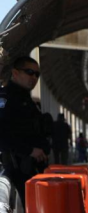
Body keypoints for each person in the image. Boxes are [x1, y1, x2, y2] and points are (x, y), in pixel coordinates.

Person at [0, 55, 50, 203]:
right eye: (29, 72)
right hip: (18, 167)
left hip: (32, 168)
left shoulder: (26, 100)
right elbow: (2, 134)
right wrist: (29, 150)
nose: (34, 77)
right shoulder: (7, 98)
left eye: (37, 74)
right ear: (15, 73)